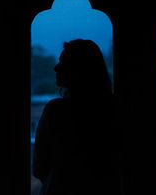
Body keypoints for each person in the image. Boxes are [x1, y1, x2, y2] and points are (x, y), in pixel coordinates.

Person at [33, 39, 122, 195]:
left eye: (63, 63)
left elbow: (39, 168)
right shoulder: (114, 109)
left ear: (79, 69)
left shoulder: (56, 111)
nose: (56, 67)